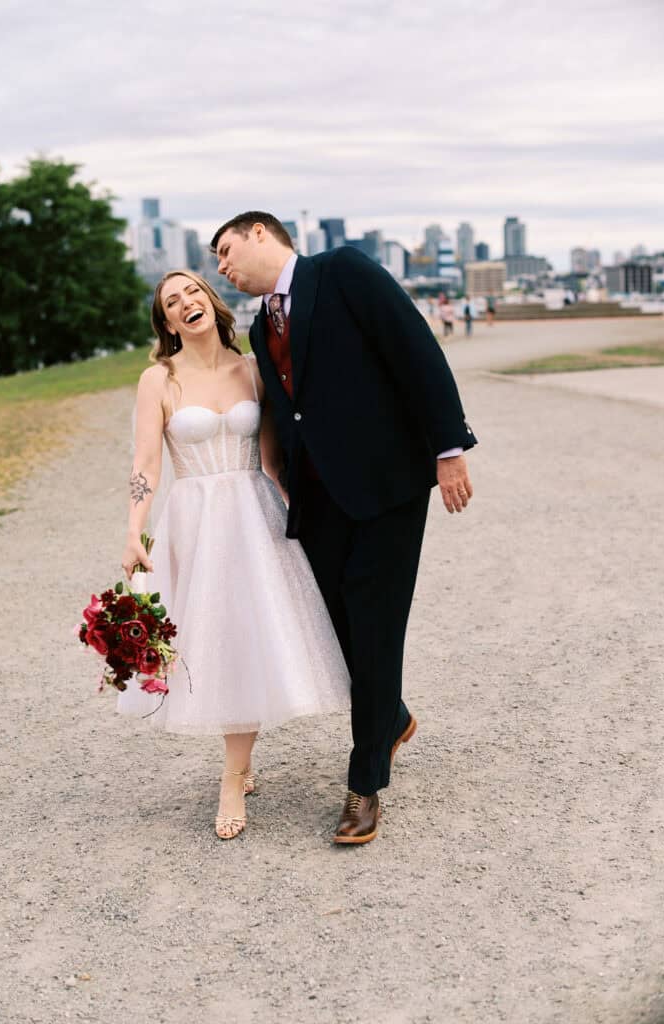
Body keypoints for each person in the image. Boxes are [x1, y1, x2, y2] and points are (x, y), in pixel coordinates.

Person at [211, 212, 477, 845]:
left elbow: (415, 349)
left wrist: (449, 448)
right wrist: (272, 464)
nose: (222, 267)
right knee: (335, 627)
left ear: (259, 234)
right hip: (317, 498)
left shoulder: (345, 272)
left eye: (225, 252)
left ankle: (365, 785)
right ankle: (394, 715)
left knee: (376, 626)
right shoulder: (257, 327)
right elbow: (286, 406)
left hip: (387, 487)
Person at [118, 270, 350, 840]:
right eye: (172, 301)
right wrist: (133, 532)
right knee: (218, 640)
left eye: (192, 292)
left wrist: (300, 504)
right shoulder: (159, 379)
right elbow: (147, 464)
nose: (185, 303)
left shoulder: (251, 369)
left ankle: (234, 770)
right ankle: (235, 770)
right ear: (167, 322)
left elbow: (271, 455)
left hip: (254, 512)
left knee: (252, 636)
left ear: (209, 301)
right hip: (196, 520)